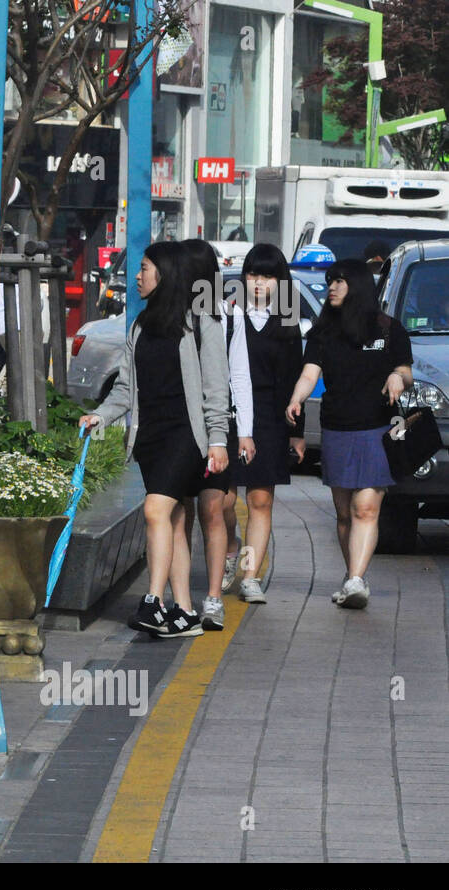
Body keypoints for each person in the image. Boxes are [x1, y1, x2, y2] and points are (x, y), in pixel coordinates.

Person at [79, 241, 230, 637]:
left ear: (164, 273)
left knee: (154, 510)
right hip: (151, 434)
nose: (138, 276)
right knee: (175, 519)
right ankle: (182, 613)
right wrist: (101, 416)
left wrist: (218, 440)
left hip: (187, 436)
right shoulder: (140, 325)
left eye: (144, 268)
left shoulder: (202, 323)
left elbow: (217, 389)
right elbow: (125, 389)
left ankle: (152, 600)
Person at [286, 259, 412, 609]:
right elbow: (310, 374)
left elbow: (405, 370)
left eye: (339, 282)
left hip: (377, 429)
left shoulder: (389, 329)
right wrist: (297, 397)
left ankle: (357, 579)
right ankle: (351, 575)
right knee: (344, 514)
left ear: (357, 286)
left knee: (366, 508)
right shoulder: (323, 332)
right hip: (337, 429)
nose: (332, 288)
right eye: (330, 282)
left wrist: (397, 378)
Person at [220, 244, 306, 605]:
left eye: (267, 276)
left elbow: (294, 380)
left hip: (270, 417)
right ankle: (228, 547)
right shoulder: (227, 315)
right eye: (253, 274)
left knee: (260, 500)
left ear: (279, 281)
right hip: (228, 415)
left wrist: (297, 434)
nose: (259, 282)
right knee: (221, 501)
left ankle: (250, 575)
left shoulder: (287, 323)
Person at [179, 238, 242, 631]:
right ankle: (181, 597)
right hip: (181, 429)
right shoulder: (169, 314)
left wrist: (234, 435)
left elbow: (237, 379)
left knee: (211, 510)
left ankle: (213, 598)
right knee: (179, 513)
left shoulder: (222, 316)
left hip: (217, 427)